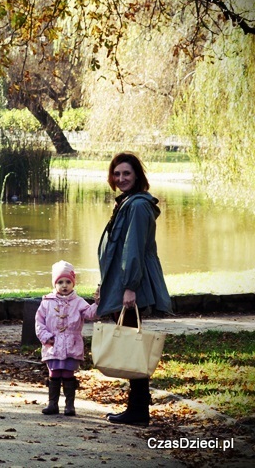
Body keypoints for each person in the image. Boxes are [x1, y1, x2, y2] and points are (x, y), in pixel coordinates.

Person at [96, 152, 172, 427]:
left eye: (126, 174)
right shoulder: (128, 203)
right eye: (116, 174)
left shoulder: (138, 206)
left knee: (133, 344)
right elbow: (117, 251)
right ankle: (138, 407)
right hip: (126, 283)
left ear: (137, 176)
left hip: (134, 286)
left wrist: (129, 288)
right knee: (131, 341)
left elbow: (134, 251)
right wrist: (105, 287)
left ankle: (138, 410)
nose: (121, 178)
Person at [35, 260, 99, 416]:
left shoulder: (78, 302)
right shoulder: (47, 303)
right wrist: (46, 337)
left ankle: (70, 405)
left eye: (68, 282)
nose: (64, 285)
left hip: (72, 344)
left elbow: (91, 314)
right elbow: (39, 322)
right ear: (55, 284)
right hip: (53, 345)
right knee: (54, 373)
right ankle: (52, 404)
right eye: (60, 282)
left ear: (73, 283)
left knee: (68, 374)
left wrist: (98, 302)